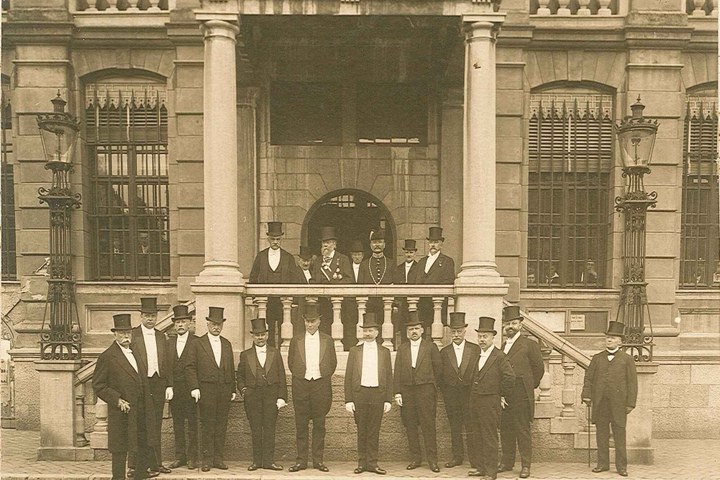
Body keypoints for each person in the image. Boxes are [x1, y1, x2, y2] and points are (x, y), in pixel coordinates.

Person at [93, 314, 155, 480]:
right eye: (122, 333)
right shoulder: (108, 356)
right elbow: (99, 385)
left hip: (141, 409)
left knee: (142, 445)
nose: (126, 336)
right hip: (122, 411)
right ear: (115, 335)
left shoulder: (135, 353)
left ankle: (140, 476)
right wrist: (117, 400)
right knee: (120, 449)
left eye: (128, 333)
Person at [581, 321, 638, 478]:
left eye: (613, 338)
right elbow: (589, 378)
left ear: (620, 341)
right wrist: (586, 394)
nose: (609, 340)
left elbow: (633, 383)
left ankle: (621, 466)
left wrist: (630, 403)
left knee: (619, 433)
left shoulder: (627, 359)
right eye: (608, 338)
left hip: (619, 404)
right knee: (601, 433)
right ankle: (602, 463)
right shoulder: (597, 358)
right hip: (601, 402)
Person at [287, 303, 338, 473]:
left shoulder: (328, 340)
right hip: (301, 384)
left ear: (319, 321)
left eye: (313, 321)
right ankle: (301, 461)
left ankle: (318, 461)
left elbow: (332, 363)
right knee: (301, 425)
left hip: (320, 385)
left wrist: (321, 376)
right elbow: (291, 362)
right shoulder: (296, 340)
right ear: (303, 321)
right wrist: (302, 375)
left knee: (319, 424)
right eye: (307, 321)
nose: (310, 324)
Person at [186, 306, 237, 472]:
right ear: (207, 323)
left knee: (221, 425)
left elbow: (230, 368)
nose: (216, 327)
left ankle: (218, 459)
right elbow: (190, 367)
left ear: (222, 325)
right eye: (213, 324)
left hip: (224, 391)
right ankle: (206, 460)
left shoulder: (226, 344)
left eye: (219, 324)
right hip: (205, 390)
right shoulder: (197, 343)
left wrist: (233, 388)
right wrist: (194, 387)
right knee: (207, 425)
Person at [498, 305, 545, 479]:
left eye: (513, 323)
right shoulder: (503, 345)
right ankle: (507, 462)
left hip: (521, 393)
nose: (510, 326)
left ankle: (526, 465)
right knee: (506, 429)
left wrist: (528, 386)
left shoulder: (529, 344)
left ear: (520, 325)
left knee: (522, 430)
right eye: (507, 323)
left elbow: (538, 368)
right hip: (506, 393)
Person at [393, 311, 442, 473]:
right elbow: (398, 372)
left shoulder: (431, 347)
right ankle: (415, 458)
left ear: (422, 330)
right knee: (411, 426)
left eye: (416, 328)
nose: (413, 331)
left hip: (425, 392)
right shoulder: (402, 348)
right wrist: (398, 392)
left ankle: (432, 460)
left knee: (428, 426)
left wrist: (432, 388)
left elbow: (438, 371)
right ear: (407, 332)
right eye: (411, 329)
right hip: (407, 393)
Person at [344, 313, 393, 475]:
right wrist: (349, 400)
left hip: (377, 394)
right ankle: (362, 463)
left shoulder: (384, 352)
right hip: (360, 394)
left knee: (374, 430)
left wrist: (388, 399)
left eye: (371, 330)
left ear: (377, 332)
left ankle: (372, 463)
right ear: (362, 333)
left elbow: (389, 376)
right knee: (362, 430)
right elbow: (349, 376)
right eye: (365, 330)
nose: (368, 333)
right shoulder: (355, 351)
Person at [237, 318, 288, 471]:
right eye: (257, 335)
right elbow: (239, 376)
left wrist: (282, 397)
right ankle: (256, 461)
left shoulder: (275, 352)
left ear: (267, 335)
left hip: (271, 397)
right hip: (252, 396)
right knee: (256, 429)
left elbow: (282, 376)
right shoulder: (245, 355)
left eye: (263, 334)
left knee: (270, 429)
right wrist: (243, 390)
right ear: (252, 336)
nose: (260, 338)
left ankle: (269, 461)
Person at [467, 316, 515, 479]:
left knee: (489, 437)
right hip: (476, 401)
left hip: (490, 402)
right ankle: (481, 467)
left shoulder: (499, 356)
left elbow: (510, 377)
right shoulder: (477, 354)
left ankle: (491, 472)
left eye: (485, 336)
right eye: (480, 336)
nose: (482, 339)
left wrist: (499, 394)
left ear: (492, 337)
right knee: (477, 435)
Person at [129, 297, 171, 477]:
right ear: (141, 316)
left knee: (156, 424)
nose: (150, 319)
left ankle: (156, 464)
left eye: (153, 315)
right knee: (138, 424)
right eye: (146, 315)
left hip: (158, 383)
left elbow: (167, 362)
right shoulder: (132, 335)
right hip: (140, 385)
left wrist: (169, 384)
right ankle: (134, 465)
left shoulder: (162, 336)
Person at [249, 221, 304, 346]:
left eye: (278, 239)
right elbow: (253, 277)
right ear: (268, 239)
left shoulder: (288, 257)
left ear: (281, 239)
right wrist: (255, 298)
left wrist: (293, 301)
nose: (275, 242)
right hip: (265, 301)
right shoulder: (261, 256)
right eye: (273, 239)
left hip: (283, 301)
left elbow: (295, 279)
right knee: (265, 328)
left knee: (283, 329)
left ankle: (280, 353)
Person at [439, 312, 480, 469]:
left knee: (471, 427)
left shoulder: (475, 349)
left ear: (465, 331)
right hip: (451, 397)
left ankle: (474, 459)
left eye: (459, 331)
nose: (456, 335)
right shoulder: (444, 352)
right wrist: (447, 391)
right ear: (450, 332)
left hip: (470, 396)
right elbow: (440, 376)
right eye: (453, 332)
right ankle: (457, 457)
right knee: (455, 427)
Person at [166, 304, 198, 470]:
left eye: (183, 322)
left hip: (191, 391)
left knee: (193, 424)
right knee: (178, 425)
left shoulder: (197, 342)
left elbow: (199, 367)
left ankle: (193, 457)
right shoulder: (169, 343)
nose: (180, 325)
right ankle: (180, 457)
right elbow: (166, 366)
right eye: (177, 322)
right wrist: (169, 386)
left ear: (190, 323)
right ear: (174, 324)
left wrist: (196, 387)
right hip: (175, 391)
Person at [310, 226, 353, 334]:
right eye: (323, 242)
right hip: (322, 303)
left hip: (339, 303)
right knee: (324, 331)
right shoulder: (317, 261)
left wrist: (334, 285)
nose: (325, 245)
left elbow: (349, 280)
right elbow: (313, 280)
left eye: (328, 242)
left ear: (334, 244)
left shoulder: (343, 259)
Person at [413, 227, 455, 333]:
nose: (433, 245)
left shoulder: (447, 261)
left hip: (437, 303)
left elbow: (449, 280)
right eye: (431, 242)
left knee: (435, 332)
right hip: (422, 303)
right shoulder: (422, 262)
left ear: (441, 244)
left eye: (436, 242)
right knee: (420, 330)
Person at [392, 239, 418, 346]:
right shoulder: (398, 268)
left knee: (414, 326)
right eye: (407, 252)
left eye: (411, 252)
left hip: (414, 303)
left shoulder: (419, 267)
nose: (409, 254)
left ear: (415, 253)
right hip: (401, 303)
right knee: (402, 328)